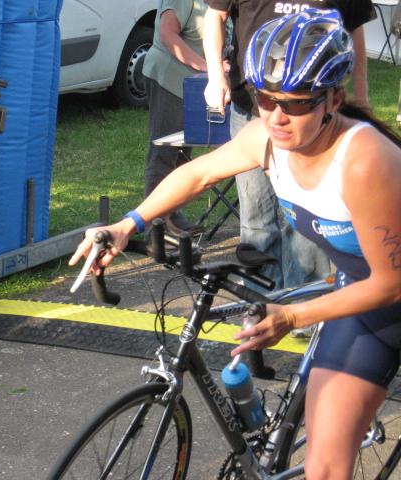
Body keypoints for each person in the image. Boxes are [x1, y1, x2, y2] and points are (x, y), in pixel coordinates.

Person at [70, 10, 401, 478]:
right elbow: (198, 174)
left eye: (296, 104)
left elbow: (390, 284)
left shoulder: (365, 161)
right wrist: (131, 223)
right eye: (265, 99)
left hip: (386, 290)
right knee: (324, 466)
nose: (277, 117)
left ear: (334, 99)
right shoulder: (265, 138)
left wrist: (292, 317)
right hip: (365, 295)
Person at [202, 1, 376, 292]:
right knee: (257, 220)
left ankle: (305, 303)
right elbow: (214, 17)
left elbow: (354, 28)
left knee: (307, 221)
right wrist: (215, 75)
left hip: (309, 116)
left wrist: (360, 94)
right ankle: (260, 302)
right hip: (254, 107)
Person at [142, 0, 208, 236]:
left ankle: (173, 213)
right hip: (169, 78)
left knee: (183, 152)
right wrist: (205, 66)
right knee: (164, 152)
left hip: (193, 84)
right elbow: (168, 35)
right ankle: (153, 226)